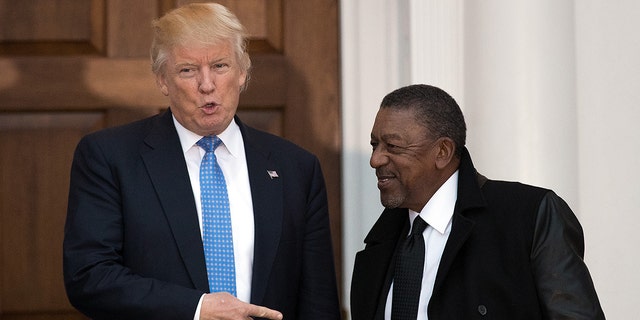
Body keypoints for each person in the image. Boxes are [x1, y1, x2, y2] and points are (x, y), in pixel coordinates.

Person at [63, 3, 341, 320]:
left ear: (242, 73)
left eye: (220, 66)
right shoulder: (110, 157)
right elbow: (89, 277)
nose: (207, 85)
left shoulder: (296, 168)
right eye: (188, 70)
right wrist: (197, 309)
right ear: (162, 80)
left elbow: (318, 299)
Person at [350, 84, 605, 319]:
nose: (376, 160)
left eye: (393, 146)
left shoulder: (528, 216)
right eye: (375, 145)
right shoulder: (378, 246)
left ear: (442, 152)